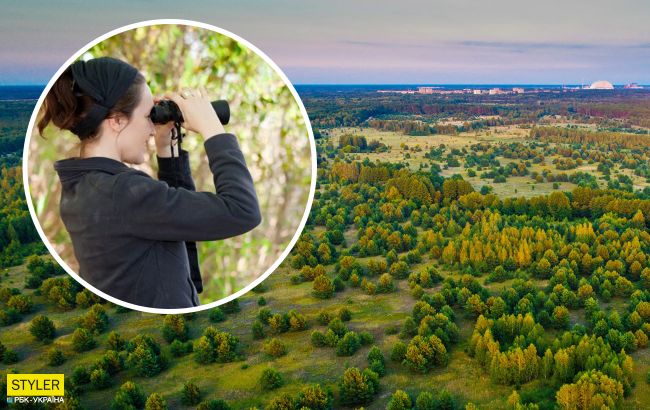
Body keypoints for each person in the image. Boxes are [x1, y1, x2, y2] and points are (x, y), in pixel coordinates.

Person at [36, 57, 262, 309]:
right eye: (147, 117)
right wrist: (212, 128)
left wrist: (167, 147)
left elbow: (172, 225)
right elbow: (243, 211)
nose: (152, 129)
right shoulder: (121, 192)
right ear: (117, 120)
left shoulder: (84, 187)